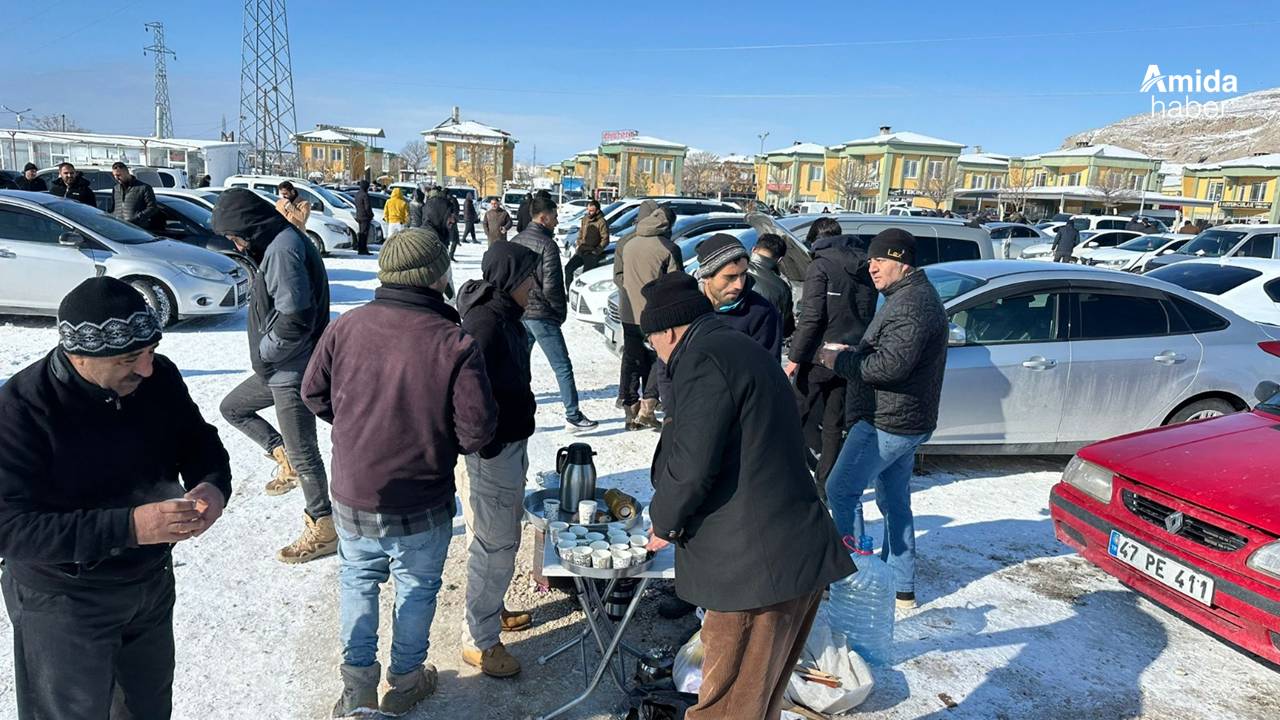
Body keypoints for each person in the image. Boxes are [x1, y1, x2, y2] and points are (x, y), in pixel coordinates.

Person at [0, 276, 232, 720]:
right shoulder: (20, 409)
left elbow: (199, 443)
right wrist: (130, 527)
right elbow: (8, 527)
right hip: (64, 600)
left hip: (148, 584)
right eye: (130, 358)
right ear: (79, 356)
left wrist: (212, 486)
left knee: (147, 709)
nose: (145, 368)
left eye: (149, 352)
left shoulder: (158, 377)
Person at [641, 272, 854, 720]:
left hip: (755, 569)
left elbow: (692, 463)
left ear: (669, 331)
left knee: (729, 706)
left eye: (652, 342)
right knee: (758, 701)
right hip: (789, 556)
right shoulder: (738, 348)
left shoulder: (702, 359)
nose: (656, 354)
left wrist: (663, 522)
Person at [303, 227, 497, 717]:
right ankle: (405, 681)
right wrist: (428, 438)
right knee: (415, 587)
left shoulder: (347, 326)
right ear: (437, 275)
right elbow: (476, 430)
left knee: (358, 581)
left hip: (354, 488)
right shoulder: (453, 340)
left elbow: (314, 394)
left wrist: (358, 427)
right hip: (422, 494)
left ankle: (357, 689)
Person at [818, 228, 948, 610]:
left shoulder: (912, 304)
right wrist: (857, 349)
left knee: (841, 489)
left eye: (879, 260)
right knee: (894, 500)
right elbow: (893, 352)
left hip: (889, 421)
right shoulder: (904, 296)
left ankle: (850, 577)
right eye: (870, 260)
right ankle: (900, 586)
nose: (871, 267)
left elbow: (891, 367)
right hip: (903, 418)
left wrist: (839, 360)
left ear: (902, 261)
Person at [212, 188, 334, 564]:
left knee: (305, 450)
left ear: (250, 226)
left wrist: (266, 352)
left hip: (290, 369)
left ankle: (323, 526)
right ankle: (284, 457)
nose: (235, 243)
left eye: (235, 236)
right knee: (233, 407)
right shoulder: (281, 239)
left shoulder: (283, 249)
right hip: (278, 367)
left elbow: (295, 317)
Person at [455, 241, 541, 679]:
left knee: (496, 539)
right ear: (511, 281)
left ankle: (489, 611)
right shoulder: (486, 324)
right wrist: (486, 445)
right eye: (530, 279)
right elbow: (465, 394)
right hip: (492, 453)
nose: (535, 287)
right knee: (494, 545)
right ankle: (480, 640)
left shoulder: (504, 315)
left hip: (506, 446)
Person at [787, 217, 877, 500]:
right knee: (833, 426)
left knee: (793, 415)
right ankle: (824, 486)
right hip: (850, 355)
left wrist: (795, 357)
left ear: (815, 240)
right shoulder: (865, 266)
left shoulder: (820, 265)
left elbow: (812, 317)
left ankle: (785, 477)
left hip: (818, 357)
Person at [510, 194, 598, 432]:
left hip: (520, 311)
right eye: (555, 216)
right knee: (562, 365)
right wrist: (559, 313)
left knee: (520, 364)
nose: (557, 221)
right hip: (541, 313)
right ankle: (572, 415)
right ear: (543, 216)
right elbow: (552, 286)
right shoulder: (547, 245)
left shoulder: (517, 240)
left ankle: (519, 410)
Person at [619, 200, 680, 430]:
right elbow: (676, 283)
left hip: (629, 312)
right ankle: (647, 408)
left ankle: (630, 407)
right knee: (659, 358)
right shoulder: (667, 248)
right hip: (655, 314)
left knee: (631, 360)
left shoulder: (629, 244)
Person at [695, 233, 782, 360]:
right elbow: (666, 365)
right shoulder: (686, 307)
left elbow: (767, 371)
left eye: (743, 274)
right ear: (707, 276)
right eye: (730, 277)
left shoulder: (762, 313)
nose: (739, 285)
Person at [747, 233, 795, 338]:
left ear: (754, 249)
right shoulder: (783, 288)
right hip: (764, 343)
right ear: (779, 260)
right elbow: (786, 327)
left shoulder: (735, 271)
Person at [564, 199, 609, 287]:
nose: (589, 212)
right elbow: (581, 233)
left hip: (592, 253)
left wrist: (596, 251)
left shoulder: (601, 222)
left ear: (597, 211)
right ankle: (569, 293)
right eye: (588, 210)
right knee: (568, 268)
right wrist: (579, 243)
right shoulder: (585, 219)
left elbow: (605, 239)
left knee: (585, 276)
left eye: (591, 211)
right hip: (581, 250)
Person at [111, 162, 160, 230]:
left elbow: (152, 208)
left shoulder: (144, 188)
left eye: (118, 175)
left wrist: (137, 218)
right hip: (119, 228)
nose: (116, 178)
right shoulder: (115, 189)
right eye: (114, 175)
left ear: (126, 172)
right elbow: (113, 209)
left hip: (137, 229)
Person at [353, 180, 374, 255]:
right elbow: (367, 207)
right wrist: (371, 215)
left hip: (359, 215)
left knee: (361, 233)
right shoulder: (365, 195)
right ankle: (363, 249)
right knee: (364, 234)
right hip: (365, 217)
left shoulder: (357, 194)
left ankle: (360, 248)